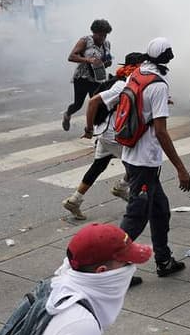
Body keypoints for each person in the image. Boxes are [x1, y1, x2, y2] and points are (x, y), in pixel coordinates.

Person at [18, 223, 153, 335]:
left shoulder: (63, 287)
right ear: (102, 272)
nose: (131, 267)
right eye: (127, 263)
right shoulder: (81, 323)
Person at [108, 38, 190, 279]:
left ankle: (163, 260)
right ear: (165, 57)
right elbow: (161, 132)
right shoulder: (158, 85)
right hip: (144, 160)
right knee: (135, 217)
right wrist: (181, 168)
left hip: (134, 155)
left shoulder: (139, 73)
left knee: (160, 210)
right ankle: (113, 271)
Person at [62, 53, 148, 221]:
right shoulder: (122, 85)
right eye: (143, 65)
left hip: (106, 133)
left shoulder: (129, 81)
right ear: (136, 66)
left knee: (98, 166)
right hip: (113, 134)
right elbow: (93, 102)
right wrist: (88, 128)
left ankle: (74, 200)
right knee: (138, 165)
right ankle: (128, 198)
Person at [63, 19, 113, 131]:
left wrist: (107, 63)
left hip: (96, 79)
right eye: (100, 35)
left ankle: (96, 130)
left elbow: (106, 61)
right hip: (82, 78)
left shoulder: (107, 44)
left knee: (97, 105)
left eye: (105, 35)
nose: (102, 38)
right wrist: (88, 60)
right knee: (78, 104)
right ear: (94, 32)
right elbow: (71, 56)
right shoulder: (85, 41)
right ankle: (67, 114)